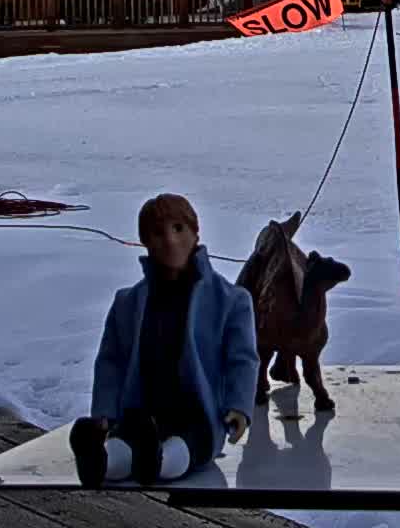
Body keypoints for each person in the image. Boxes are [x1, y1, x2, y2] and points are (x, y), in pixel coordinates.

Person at [70, 194, 260, 488]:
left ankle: (156, 459)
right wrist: (105, 412)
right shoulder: (128, 302)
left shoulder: (231, 301)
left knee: (183, 448)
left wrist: (239, 406)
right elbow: (112, 360)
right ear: (145, 242)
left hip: (198, 412)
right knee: (125, 444)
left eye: (179, 228)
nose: (170, 241)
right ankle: (101, 461)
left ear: (196, 233)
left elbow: (242, 359)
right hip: (141, 411)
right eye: (158, 233)